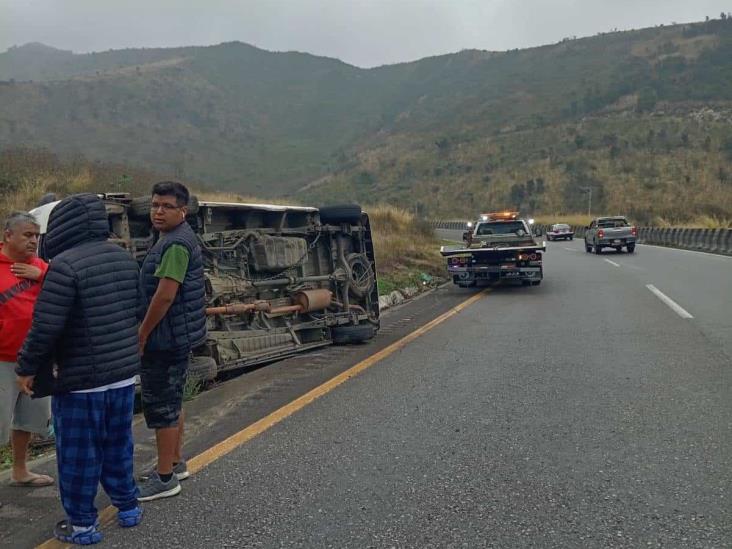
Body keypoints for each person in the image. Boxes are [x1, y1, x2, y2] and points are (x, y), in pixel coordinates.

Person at [16, 194, 142, 545]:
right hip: (121, 376)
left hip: (80, 382)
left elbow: (45, 328)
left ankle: (84, 526)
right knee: (119, 443)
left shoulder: (64, 267)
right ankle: (128, 506)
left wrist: (27, 367)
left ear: (62, 226)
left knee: (79, 454)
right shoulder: (124, 259)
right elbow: (137, 310)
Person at [136, 181, 206, 501]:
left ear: (183, 210)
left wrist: (142, 333)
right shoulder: (172, 238)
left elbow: (165, 296)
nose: (158, 211)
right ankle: (175, 463)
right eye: (154, 205)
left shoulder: (176, 244)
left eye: (166, 206)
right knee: (173, 401)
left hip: (165, 338)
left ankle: (164, 478)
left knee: (162, 406)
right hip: (177, 335)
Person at [0, 212, 53, 489]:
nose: (34, 241)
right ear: (8, 235)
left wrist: (41, 273)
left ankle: (20, 470)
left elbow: (65, 287)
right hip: (3, 360)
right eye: (27, 235)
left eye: (36, 235)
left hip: (35, 360)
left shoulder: (41, 266)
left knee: (28, 420)